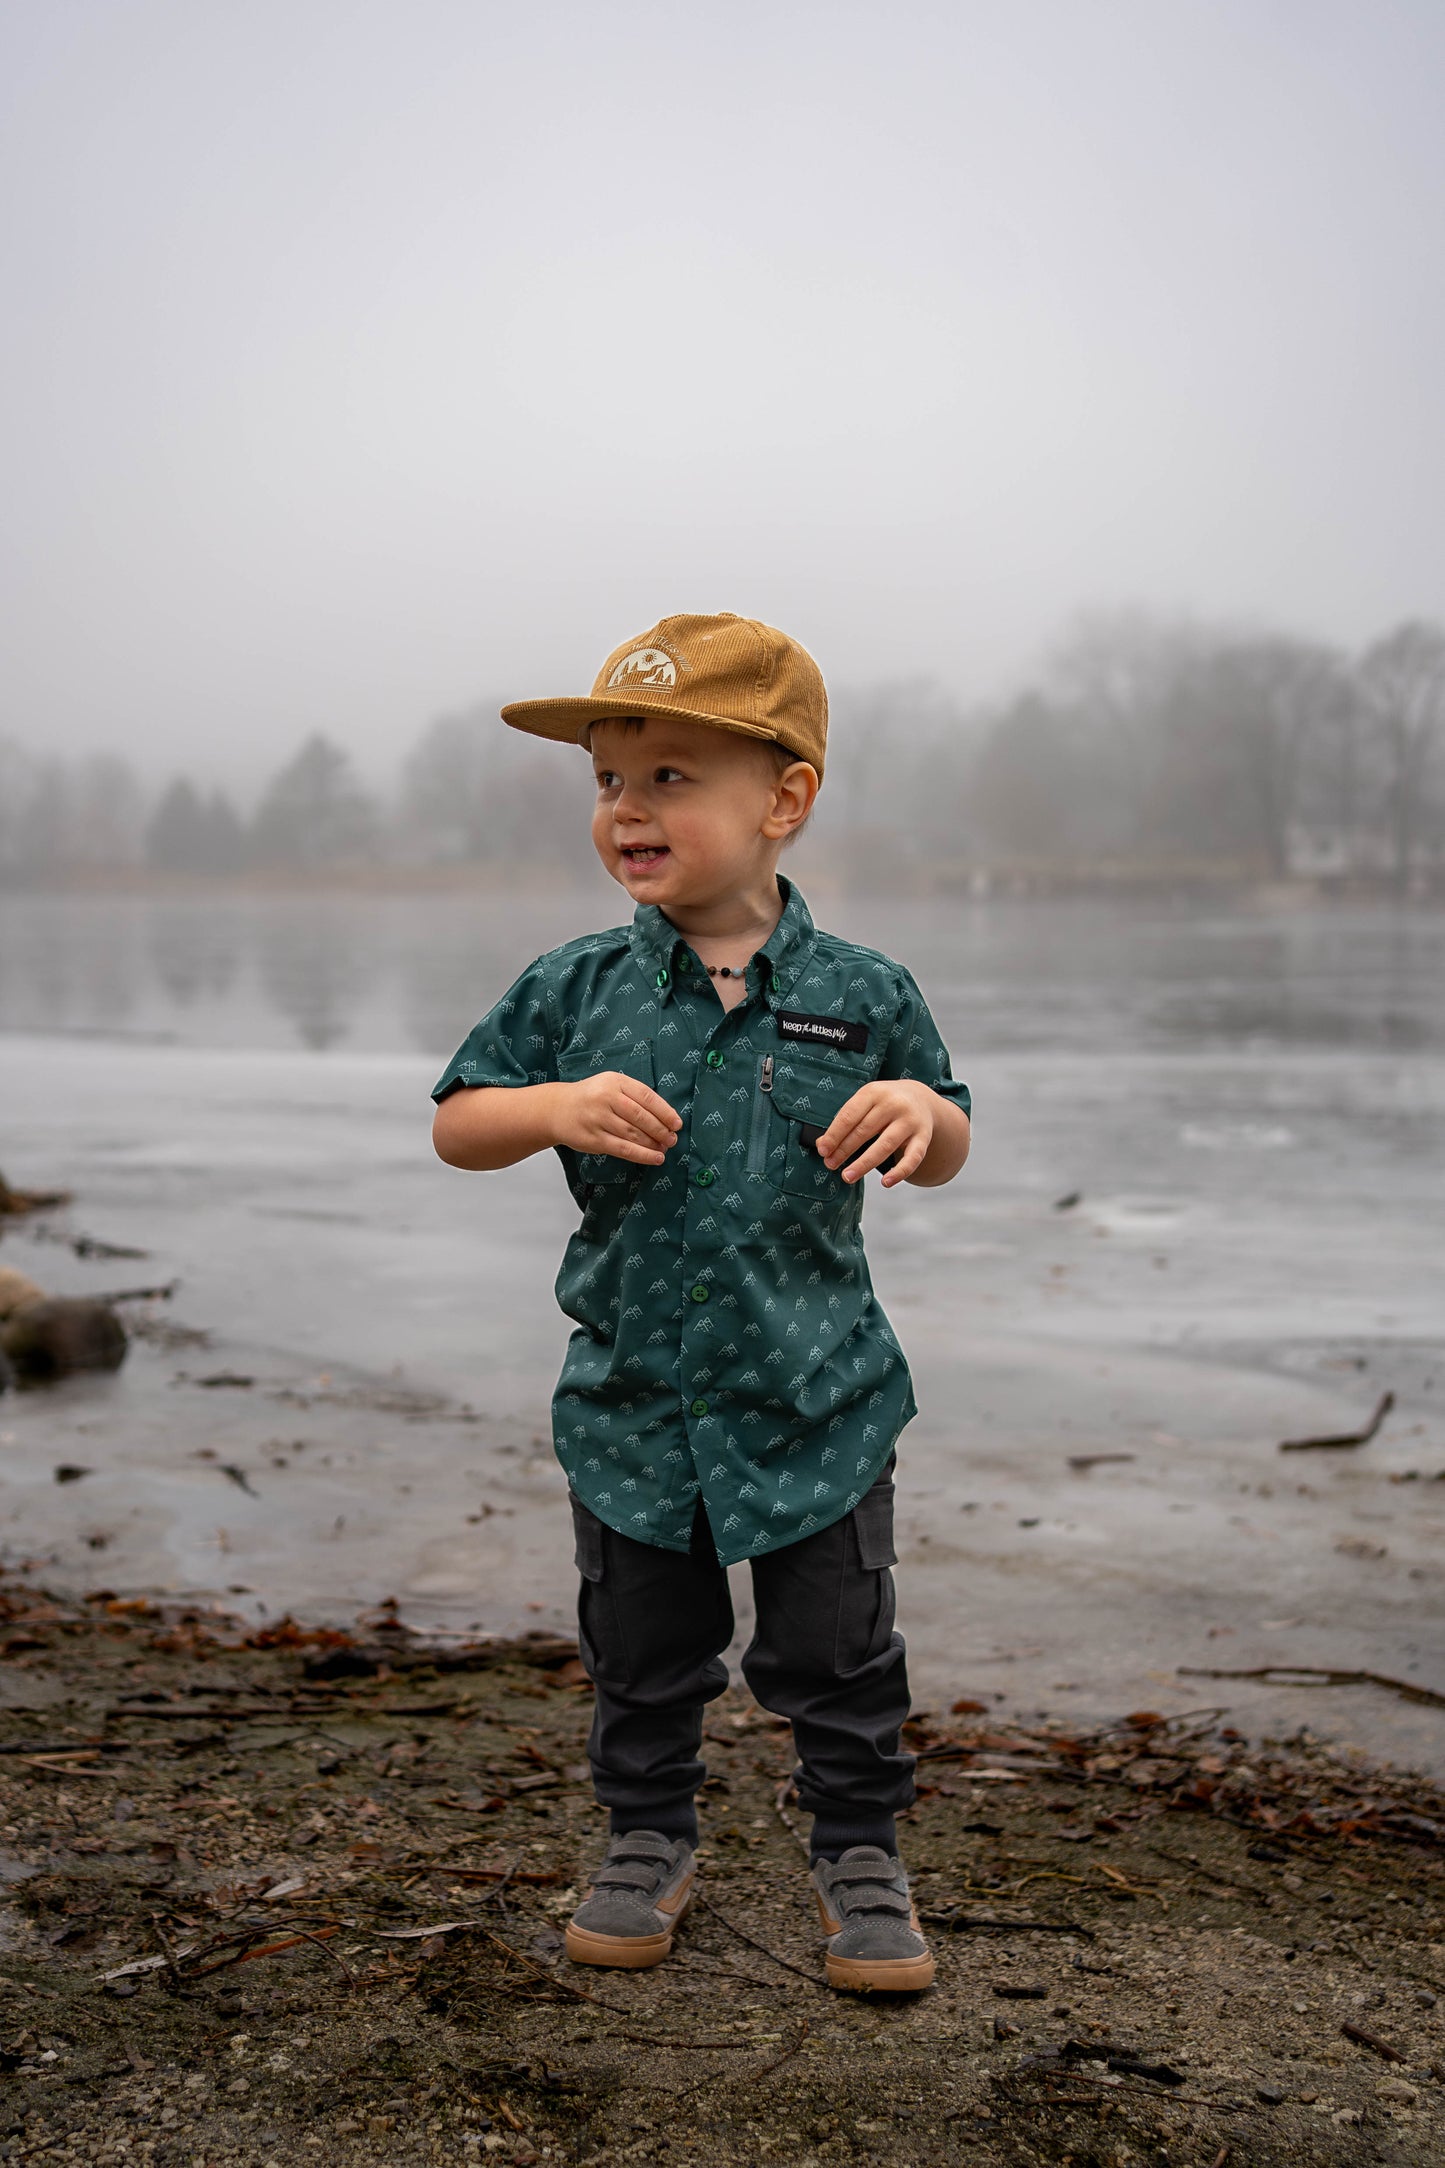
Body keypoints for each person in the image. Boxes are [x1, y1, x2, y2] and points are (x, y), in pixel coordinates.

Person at [432, 613, 970, 1993]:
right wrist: (548, 1104)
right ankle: (645, 1837)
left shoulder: (862, 995)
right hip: (632, 1403)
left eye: (670, 777)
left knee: (837, 1653)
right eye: (610, 780)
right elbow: (460, 1124)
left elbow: (950, 1131)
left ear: (782, 799)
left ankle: (858, 1854)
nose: (627, 809)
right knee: (642, 1652)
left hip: (818, 1395)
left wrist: (919, 1110)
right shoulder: (574, 986)